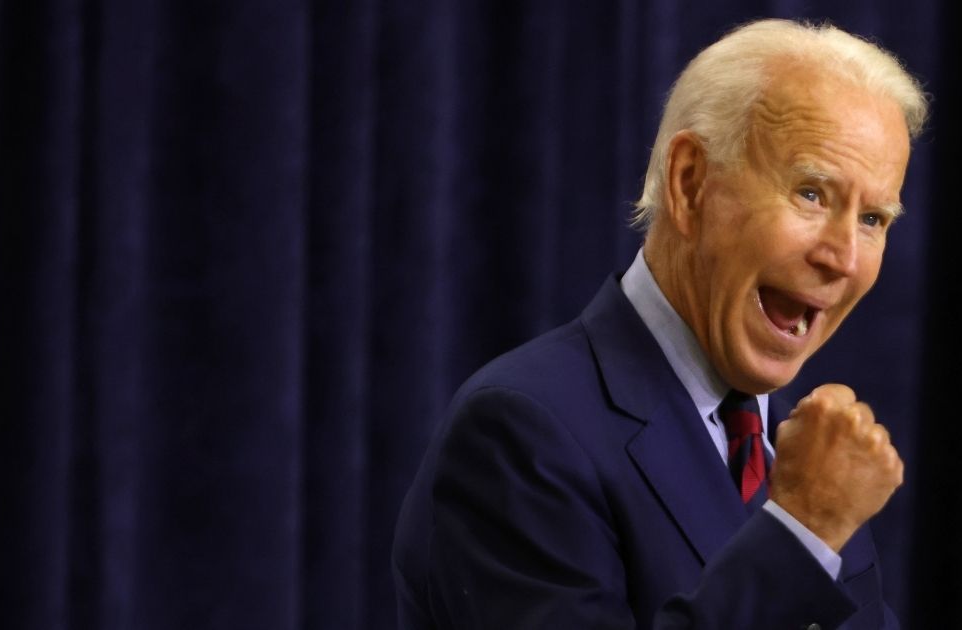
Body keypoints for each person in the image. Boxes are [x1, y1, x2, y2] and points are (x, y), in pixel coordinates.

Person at [393, 18, 928, 630]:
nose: (844, 259)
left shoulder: (805, 457)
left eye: (874, 219)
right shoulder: (521, 433)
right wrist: (802, 533)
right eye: (811, 193)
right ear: (690, 184)